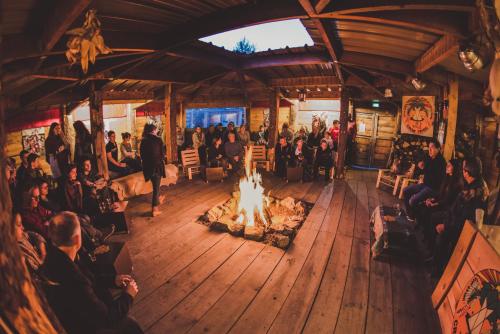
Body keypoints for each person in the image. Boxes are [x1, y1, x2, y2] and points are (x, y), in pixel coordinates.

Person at [40, 212, 143, 334]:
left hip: (84, 315)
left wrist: (112, 280)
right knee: (131, 326)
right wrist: (128, 296)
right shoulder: (72, 278)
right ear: (77, 239)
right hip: (84, 327)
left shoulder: (57, 258)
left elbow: (90, 279)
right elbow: (106, 318)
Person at [431, 158, 489, 276]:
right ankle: (435, 260)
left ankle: (440, 271)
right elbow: (456, 208)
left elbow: (465, 219)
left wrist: (446, 226)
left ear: (467, 172)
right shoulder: (470, 183)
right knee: (433, 218)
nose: (462, 171)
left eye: (463, 169)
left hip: (463, 229)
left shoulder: (477, 191)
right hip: (454, 220)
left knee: (441, 237)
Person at [403, 140, 447, 220]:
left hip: (433, 188)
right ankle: (410, 214)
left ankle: (416, 217)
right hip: (425, 185)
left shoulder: (441, 162)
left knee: (413, 200)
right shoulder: (428, 157)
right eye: (429, 148)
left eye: (432, 148)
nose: (430, 150)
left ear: (438, 149)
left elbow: (435, 177)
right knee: (406, 190)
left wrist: (424, 167)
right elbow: (419, 160)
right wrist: (419, 164)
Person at [140, 123, 166, 217]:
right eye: (155, 130)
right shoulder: (158, 139)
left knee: (156, 186)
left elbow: (142, 155)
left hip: (147, 168)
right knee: (156, 188)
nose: (156, 132)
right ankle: (155, 209)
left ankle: (158, 200)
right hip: (156, 167)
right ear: (153, 131)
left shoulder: (143, 140)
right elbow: (162, 155)